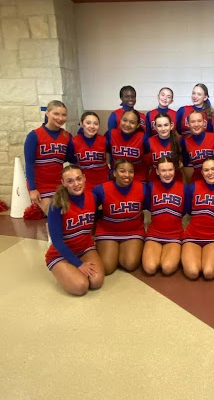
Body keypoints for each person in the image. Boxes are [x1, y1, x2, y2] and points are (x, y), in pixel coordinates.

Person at [45, 165, 104, 296]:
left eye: (78, 179)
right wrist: (78, 264)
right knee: (80, 286)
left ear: (84, 178)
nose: (76, 184)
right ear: (63, 183)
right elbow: (57, 241)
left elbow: (99, 217)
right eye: (70, 181)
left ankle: (70, 272)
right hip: (60, 253)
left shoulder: (93, 197)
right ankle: (61, 270)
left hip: (85, 247)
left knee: (96, 281)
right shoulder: (56, 204)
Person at [181, 158, 214, 280]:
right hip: (192, 235)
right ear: (202, 173)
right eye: (206, 170)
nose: (210, 173)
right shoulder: (192, 187)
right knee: (193, 272)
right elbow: (187, 210)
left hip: (213, 237)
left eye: (213, 169)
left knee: (209, 273)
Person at [92, 159, 146, 275]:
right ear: (114, 172)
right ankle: (111, 250)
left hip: (133, 230)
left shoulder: (142, 187)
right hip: (108, 230)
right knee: (106, 268)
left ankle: (122, 250)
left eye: (131, 171)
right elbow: (90, 210)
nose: (127, 175)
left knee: (130, 264)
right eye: (122, 171)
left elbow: (148, 208)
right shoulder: (100, 189)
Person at [24, 100, 74, 218]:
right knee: (54, 216)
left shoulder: (67, 136)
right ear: (47, 113)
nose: (60, 118)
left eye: (63, 115)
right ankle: (52, 236)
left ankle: (51, 236)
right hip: (40, 185)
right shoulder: (34, 135)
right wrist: (32, 189)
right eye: (56, 114)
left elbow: (71, 158)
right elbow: (29, 163)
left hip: (59, 184)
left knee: (66, 217)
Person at [142, 158, 186, 275]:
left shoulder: (184, 188)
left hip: (175, 234)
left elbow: (186, 210)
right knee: (150, 268)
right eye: (163, 170)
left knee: (167, 268)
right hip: (155, 233)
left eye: (170, 170)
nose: (167, 174)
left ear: (175, 170)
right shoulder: (150, 187)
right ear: (157, 172)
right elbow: (147, 206)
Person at [180, 110, 214, 183]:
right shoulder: (185, 142)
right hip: (197, 182)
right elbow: (186, 164)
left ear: (204, 123)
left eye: (199, 121)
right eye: (193, 122)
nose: (196, 124)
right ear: (188, 124)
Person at [106, 109, 148, 181]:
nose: (127, 124)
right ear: (120, 120)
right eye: (124, 120)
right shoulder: (111, 134)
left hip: (138, 177)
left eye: (132, 122)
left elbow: (148, 156)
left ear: (137, 125)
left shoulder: (143, 137)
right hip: (117, 177)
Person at [72, 111, 109, 191]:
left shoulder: (104, 140)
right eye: (88, 123)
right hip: (83, 183)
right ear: (82, 124)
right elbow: (70, 158)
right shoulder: (74, 141)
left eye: (96, 123)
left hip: (104, 182)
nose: (92, 126)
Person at [144, 112, 182, 181]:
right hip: (155, 180)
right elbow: (146, 164)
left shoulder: (180, 141)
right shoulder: (149, 142)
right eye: (159, 126)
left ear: (171, 126)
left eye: (166, 125)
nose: (163, 128)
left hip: (176, 179)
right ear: (155, 127)